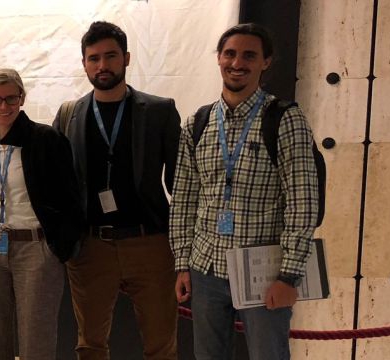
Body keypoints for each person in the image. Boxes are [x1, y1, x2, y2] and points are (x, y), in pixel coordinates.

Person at [170, 23, 318, 360]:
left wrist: (289, 276)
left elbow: (303, 202)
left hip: (263, 271)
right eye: (230, 54)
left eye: (249, 55)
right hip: (206, 268)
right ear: (219, 59)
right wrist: (182, 264)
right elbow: (183, 199)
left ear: (265, 62)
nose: (238, 63)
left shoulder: (285, 119)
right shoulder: (199, 122)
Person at [52, 22, 181, 360]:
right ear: (84, 64)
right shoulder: (69, 114)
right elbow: (57, 183)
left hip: (150, 242)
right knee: (90, 344)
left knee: (161, 344)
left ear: (126, 58)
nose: (102, 65)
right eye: (93, 58)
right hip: (91, 246)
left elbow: (180, 183)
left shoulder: (159, 110)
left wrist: (182, 248)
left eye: (110, 56)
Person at [0, 68, 83, 360]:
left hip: (36, 249)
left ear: (22, 98)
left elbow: (71, 199)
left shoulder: (47, 139)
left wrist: (58, 248)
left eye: (11, 98)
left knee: (36, 339)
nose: (4, 106)